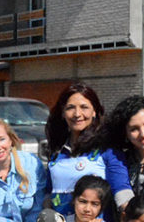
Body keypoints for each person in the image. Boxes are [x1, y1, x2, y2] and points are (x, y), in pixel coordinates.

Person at [44, 83, 131, 214]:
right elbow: (49, 194)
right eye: (70, 108)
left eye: (84, 107)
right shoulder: (57, 152)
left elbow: (122, 190)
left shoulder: (107, 150)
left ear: (94, 111)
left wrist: (134, 217)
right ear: (63, 112)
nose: (77, 114)